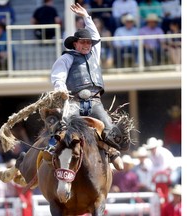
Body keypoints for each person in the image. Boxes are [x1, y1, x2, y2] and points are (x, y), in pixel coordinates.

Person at [50, 3, 133, 170]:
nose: (87, 45)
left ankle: (113, 153)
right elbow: (58, 76)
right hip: (73, 100)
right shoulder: (66, 58)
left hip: (94, 101)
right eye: (83, 42)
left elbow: (96, 35)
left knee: (109, 128)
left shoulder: (94, 54)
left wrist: (86, 16)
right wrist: (60, 87)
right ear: (75, 44)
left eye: (89, 42)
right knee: (63, 124)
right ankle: (51, 149)